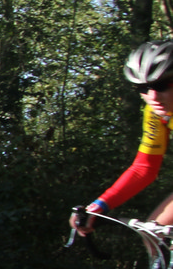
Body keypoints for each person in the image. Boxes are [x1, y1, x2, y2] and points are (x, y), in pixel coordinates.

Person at [72, 38, 173, 236]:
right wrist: (99, 206)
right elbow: (144, 168)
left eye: (161, 86)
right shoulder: (156, 113)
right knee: (155, 237)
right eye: (143, 88)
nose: (153, 97)